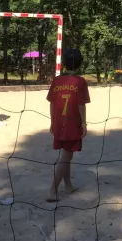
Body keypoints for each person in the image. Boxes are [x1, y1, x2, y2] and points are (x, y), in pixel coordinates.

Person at [46, 48, 90, 202]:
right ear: (80, 63)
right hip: (72, 122)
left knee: (66, 153)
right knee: (66, 156)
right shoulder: (80, 81)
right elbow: (81, 105)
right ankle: (52, 190)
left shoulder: (57, 80)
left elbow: (52, 103)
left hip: (59, 121)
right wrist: (84, 123)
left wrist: (52, 121)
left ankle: (68, 185)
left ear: (63, 63)